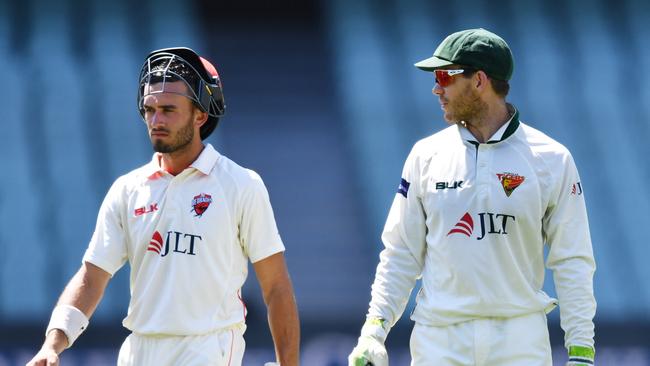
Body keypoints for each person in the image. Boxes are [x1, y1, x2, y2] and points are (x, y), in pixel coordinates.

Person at [27, 47, 300, 366]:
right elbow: (91, 279)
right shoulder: (128, 189)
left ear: (201, 115)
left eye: (168, 109)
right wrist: (53, 344)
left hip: (207, 349)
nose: (156, 120)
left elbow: (276, 287)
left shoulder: (241, 184)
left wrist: (289, 364)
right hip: (138, 352)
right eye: (149, 109)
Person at [348, 28, 596, 366]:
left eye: (444, 76)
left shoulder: (552, 159)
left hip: (520, 341)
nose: (436, 88)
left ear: (479, 80)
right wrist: (373, 332)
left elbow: (572, 260)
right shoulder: (426, 155)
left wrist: (581, 350)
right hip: (439, 340)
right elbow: (401, 253)